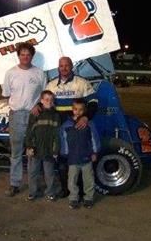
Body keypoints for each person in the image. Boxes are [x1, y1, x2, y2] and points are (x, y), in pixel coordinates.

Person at [45, 56, 98, 198]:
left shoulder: (81, 83)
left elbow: (93, 102)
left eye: (67, 65)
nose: (64, 68)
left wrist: (86, 117)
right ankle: (66, 190)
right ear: (58, 67)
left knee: (80, 160)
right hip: (60, 130)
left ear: (71, 67)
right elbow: (45, 103)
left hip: (78, 129)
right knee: (62, 160)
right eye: (61, 66)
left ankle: (81, 191)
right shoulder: (51, 85)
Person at [2, 42, 47, 197]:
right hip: (16, 116)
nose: (25, 57)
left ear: (32, 56)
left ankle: (34, 184)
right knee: (16, 152)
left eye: (28, 55)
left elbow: (45, 96)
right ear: (18, 56)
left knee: (33, 151)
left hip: (34, 117)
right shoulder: (10, 73)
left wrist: (39, 106)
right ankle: (14, 184)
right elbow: (7, 95)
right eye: (22, 54)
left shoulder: (39, 73)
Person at [60, 99, 100, 209]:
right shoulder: (66, 125)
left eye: (81, 110)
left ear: (84, 111)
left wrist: (95, 152)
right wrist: (65, 153)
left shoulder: (89, 124)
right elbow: (63, 140)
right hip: (73, 158)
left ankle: (88, 198)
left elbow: (94, 139)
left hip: (87, 157)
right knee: (72, 180)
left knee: (89, 179)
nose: (78, 112)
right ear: (72, 110)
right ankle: (73, 198)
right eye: (76, 109)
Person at [25, 90, 61, 201]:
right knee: (32, 172)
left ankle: (50, 192)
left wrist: (56, 150)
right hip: (35, 149)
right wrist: (29, 146)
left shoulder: (56, 115)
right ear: (41, 101)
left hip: (49, 150)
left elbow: (57, 135)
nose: (49, 102)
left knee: (49, 173)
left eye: (51, 100)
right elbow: (29, 131)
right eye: (46, 100)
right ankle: (32, 192)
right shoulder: (35, 114)